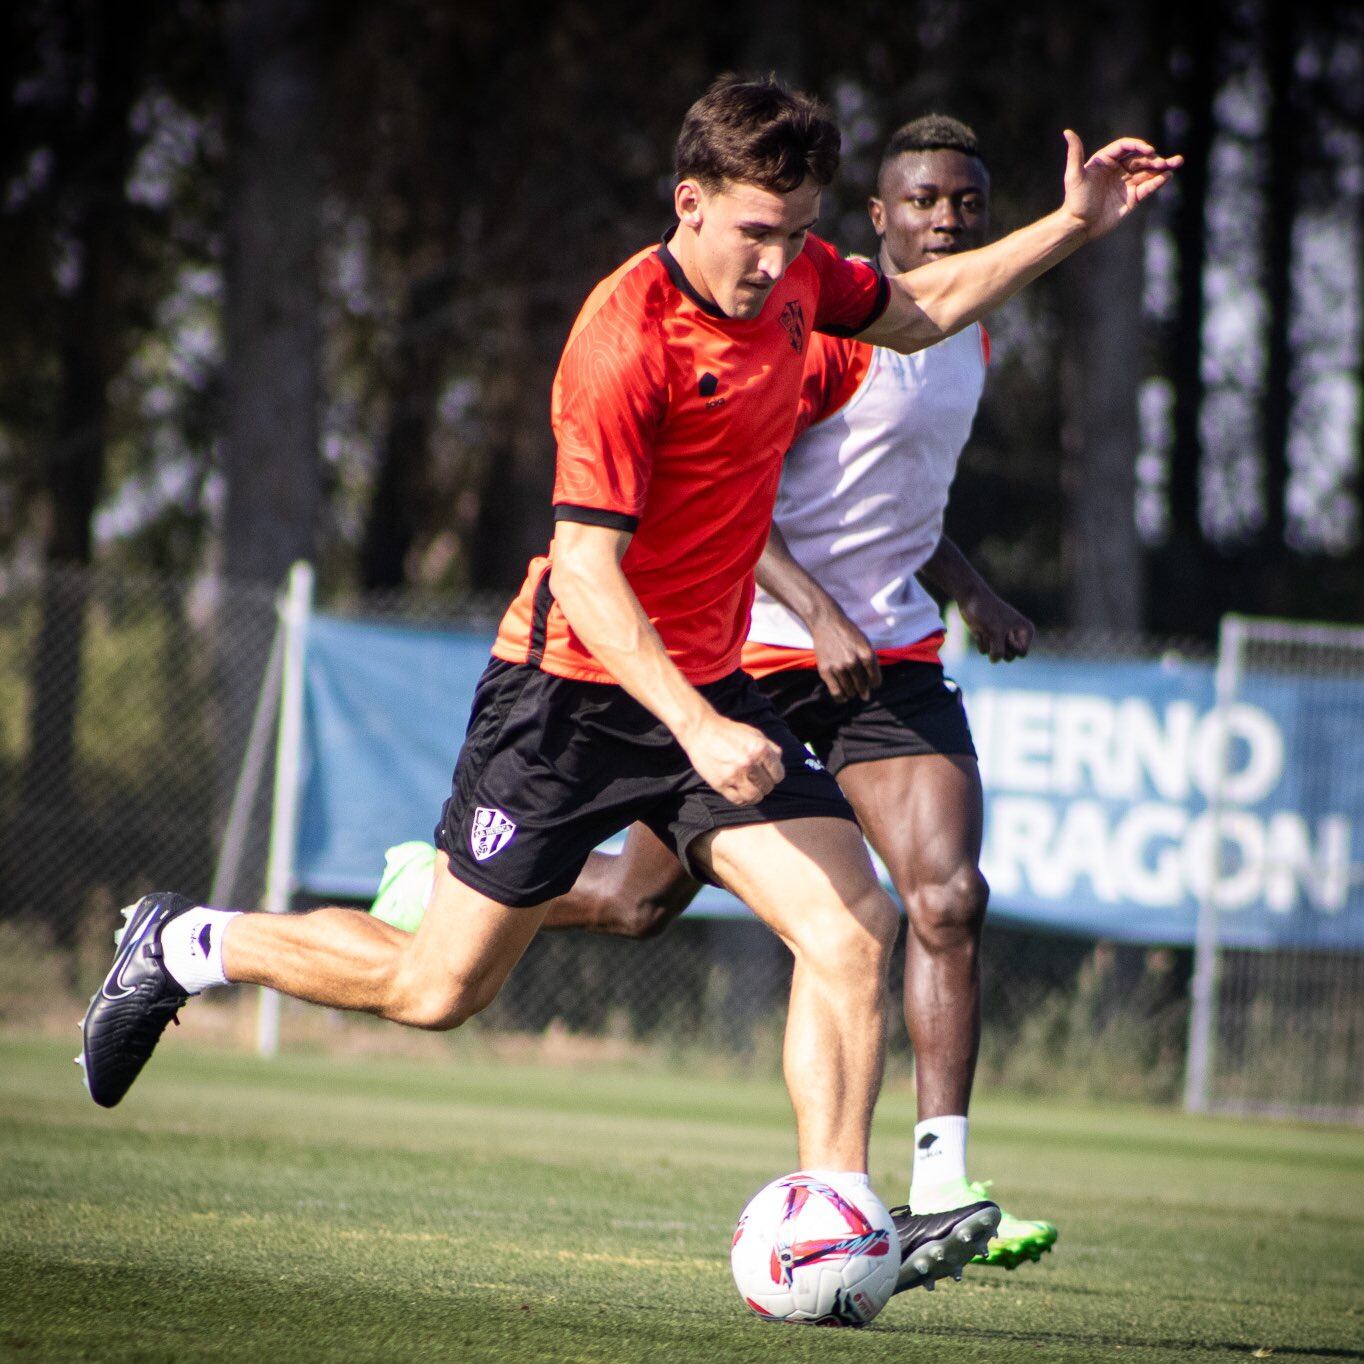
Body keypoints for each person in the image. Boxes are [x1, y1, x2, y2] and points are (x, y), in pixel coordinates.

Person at [81, 77, 1177, 1296]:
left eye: (794, 232)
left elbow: (916, 308)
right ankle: (186, 940)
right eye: (751, 232)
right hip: (563, 693)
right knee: (436, 985)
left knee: (853, 925)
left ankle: (841, 1214)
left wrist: (1071, 224)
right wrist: (701, 726)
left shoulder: (805, 278)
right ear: (688, 203)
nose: (773, 263)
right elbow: (591, 576)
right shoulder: (622, 336)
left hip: (704, 679)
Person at [370, 115, 1056, 1272]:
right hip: (666, 669)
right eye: (924, 201)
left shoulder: (870, 315)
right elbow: (644, 540)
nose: (947, 221)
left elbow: (907, 454)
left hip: (820, 666)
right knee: (544, 943)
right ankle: (326, 916)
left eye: (967, 204)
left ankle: (880, 1203)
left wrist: (1079, 223)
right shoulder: (644, 333)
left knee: (903, 908)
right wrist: (753, 670)